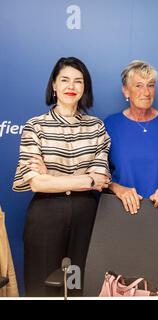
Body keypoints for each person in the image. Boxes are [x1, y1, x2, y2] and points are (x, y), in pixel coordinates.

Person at [12, 57, 111, 296]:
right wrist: (84, 179)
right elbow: (36, 183)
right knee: (41, 287)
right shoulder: (35, 126)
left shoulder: (96, 127)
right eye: (65, 80)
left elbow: (99, 179)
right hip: (46, 213)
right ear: (54, 86)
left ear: (84, 88)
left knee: (81, 286)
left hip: (86, 214)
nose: (71, 86)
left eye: (79, 81)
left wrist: (52, 176)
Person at [104, 60, 158, 213]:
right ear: (126, 91)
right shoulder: (110, 124)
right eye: (138, 85)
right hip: (118, 210)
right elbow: (99, 172)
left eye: (151, 85)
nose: (146, 92)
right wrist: (118, 189)